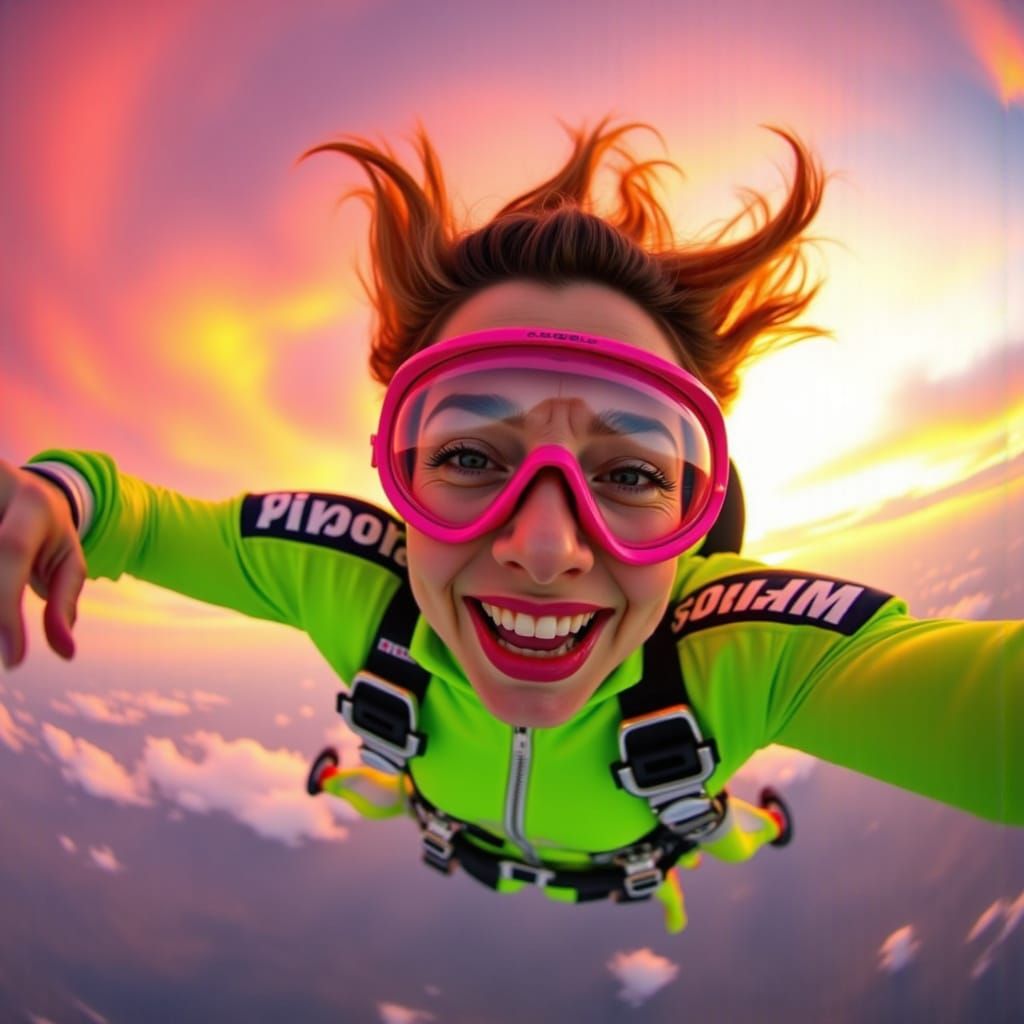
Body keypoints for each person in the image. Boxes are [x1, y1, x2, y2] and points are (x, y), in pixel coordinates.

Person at [1, 121, 1020, 934]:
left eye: (626, 473)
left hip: (636, 855)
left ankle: (737, 824)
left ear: (696, 511)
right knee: (392, 787)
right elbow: (124, 509)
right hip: (480, 822)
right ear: (393, 473)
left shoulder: (743, 651)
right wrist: (52, 495)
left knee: (722, 830)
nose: (541, 547)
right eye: (470, 458)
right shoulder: (355, 577)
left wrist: (70, 501)